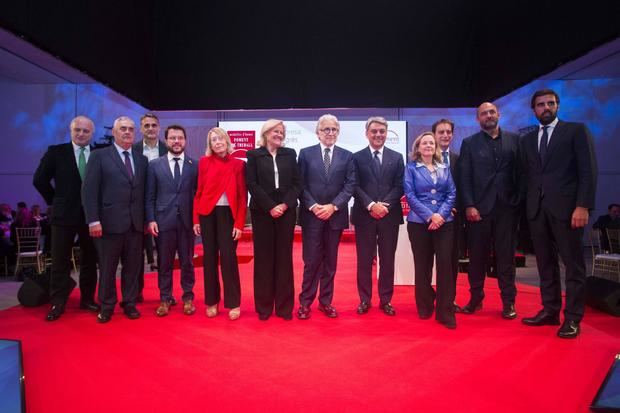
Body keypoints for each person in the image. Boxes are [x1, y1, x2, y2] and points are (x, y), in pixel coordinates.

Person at [520, 89, 598, 338]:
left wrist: (583, 205)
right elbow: (528, 176)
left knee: (573, 266)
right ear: (534, 110)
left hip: (568, 210)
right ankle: (550, 310)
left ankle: (573, 318)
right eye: (541, 105)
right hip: (537, 210)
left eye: (550, 103)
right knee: (545, 263)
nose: (546, 108)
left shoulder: (576, 131)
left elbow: (588, 171)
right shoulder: (528, 140)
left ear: (558, 106)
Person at [458, 103, 522, 319]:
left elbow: (522, 173)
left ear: (498, 115)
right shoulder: (469, 143)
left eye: (491, 112)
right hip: (478, 210)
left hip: (507, 209)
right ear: (478, 119)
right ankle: (475, 299)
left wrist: (518, 200)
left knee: (506, 258)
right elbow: (464, 177)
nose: (488, 115)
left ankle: (509, 302)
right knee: (477, 258)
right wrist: (469, 205)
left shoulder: (515, 140)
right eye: (483, 113)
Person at [82, 116, 149, 323]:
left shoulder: (141, 159)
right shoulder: (99, 156)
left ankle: (129, 303)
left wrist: (146, 220)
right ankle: (107, 305)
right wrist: (93, 220)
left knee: (132, 268)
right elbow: (89, 191)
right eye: (122, 129)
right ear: (114, 132)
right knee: (108, 268)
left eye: (130, 129)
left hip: (135, 225)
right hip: (108, 224)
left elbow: (144, 193)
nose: (127, 132)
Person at [33, 116, 100, 321]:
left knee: (90, 259)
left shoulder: (99, 154)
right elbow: (39, 180)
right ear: (71, 131)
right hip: (63, 216)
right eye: (77, 130)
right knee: (60, 260)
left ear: (92, 133)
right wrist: (55, 201)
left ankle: (87, 299)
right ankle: (58, 302)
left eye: (85, 131)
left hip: (91, 216)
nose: (81, 134)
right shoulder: (56, 152)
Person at [297, 114, 355, 319]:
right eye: (326, 129)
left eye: (334, 130)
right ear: (318, 132)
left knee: (330, 262)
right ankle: (305, 302)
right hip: (311, 216)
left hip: (335, 216)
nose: (330, 133)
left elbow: (350, 186)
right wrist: (313, 206)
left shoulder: (348, 156)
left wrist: (333, 206)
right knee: (311, 261)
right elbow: (300, 184)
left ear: (338, 132)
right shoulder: (305, 154)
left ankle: (325, 301)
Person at [246, 119, 301, 321]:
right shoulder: (253, 155)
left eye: (281, 132)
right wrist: (270, 206)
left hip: (286, 212)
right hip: (262, 212)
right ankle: (264, 307)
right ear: (266, 133)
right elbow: (251, 183)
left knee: (284, 259)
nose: (279, 134)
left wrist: (284, 205)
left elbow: (297, 184)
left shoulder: (290, 154)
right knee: (263, 259)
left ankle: (284, 308)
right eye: (275, 131)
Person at [351, 116, 404, 316]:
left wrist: (384, 206)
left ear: (386, 133)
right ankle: (365, 300)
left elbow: (400, 186)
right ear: (367, 133)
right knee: (364, 260)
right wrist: (372, 205)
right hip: (365, 215)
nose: (378, 135)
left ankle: (385, 300)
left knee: (387, 259)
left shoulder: (397, 157)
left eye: (382, 131)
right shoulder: (356, 157)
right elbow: (353, 185)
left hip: (389, 216)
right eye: (374, 131)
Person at [193, 127, 247, 320]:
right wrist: (196, 219)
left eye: (220, 139)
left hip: (228, 216)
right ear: (210, 144)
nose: (217, 142)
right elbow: (198, 193)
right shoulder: (204, 162)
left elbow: (242, 197)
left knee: (228, 259)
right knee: (209, 259)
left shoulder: (238, 165)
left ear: (226, 140)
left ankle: (233, 303)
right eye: (213, 140)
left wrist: (239, 224)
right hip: (207, 214)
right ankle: (211, 301)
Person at [404, 132, 456, 329]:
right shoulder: (410, 168)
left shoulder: (445, 167)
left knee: (445, 266)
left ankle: (445, 311)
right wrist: (429, 216)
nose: (428, 145)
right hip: (419, 223)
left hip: (444, 222)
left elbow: (451, 192)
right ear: (418, 147)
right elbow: (410, 195)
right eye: (424, 143)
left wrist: (440, 215)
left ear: (436, 147)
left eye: (431, 143)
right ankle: (425, 306)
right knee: (423, 266)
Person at [146, 125, 198, 317]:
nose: (177, 141)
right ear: (166, 140)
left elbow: (198, 195)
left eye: (180, 138)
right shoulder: (154, 165)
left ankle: (188, 298)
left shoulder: (195, 165)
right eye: (173, 138)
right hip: (163, 222)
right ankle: (165, 298)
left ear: (185, 141)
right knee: (165, 263)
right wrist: (150, 219)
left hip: (187, 223)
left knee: (187, 263)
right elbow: (149, 196)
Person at [133, 113, 168, 300]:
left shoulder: (168, 148)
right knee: (135, 255)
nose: (150, 128)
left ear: (159, 127)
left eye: (154, 125)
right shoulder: (133, 149)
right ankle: (136, 293)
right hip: (137, 209)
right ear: (141, 128)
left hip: (163, 208)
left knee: (165, 254)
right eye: (146, 125)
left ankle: (165, 293)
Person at [433, 118, 465, 313]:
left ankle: (448, 300)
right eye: (441, 132)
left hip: (452, 219)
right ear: (434, 135)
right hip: (429, 219)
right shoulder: (423, 158)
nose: (445, 135)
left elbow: (462, 187)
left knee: (450, 262)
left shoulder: (458, 159)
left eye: (448, 132)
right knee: (429, 262)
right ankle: (429, 298)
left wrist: (451, 208)